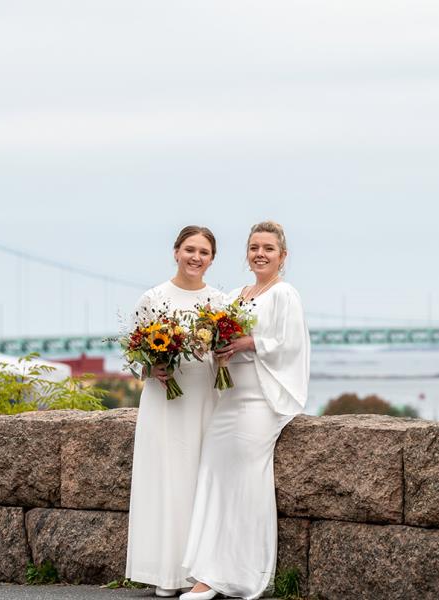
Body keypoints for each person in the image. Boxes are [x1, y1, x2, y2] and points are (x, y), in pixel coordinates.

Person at [181, 221, 310, 600]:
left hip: (260, 398)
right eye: (254, 247)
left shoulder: (286, 294)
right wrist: (216, 345)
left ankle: (234, 575)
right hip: (230, 397)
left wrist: (247, 341)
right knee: (214, 479)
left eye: (268, 248)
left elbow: (290, 344)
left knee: (243, 483)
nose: (260, 253)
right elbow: (222, 337)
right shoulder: (236, 295)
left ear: (282, 256)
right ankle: (206, 569)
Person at [125, 226, 225, 598]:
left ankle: (197, 572)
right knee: (165, 478)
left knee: (197, 481)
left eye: (203, 252)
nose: (195, 257)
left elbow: (224, 351)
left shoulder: (218, 302)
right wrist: (152, 368)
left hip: (202, 398)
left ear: (212, 259)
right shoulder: (153, 297)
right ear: (175, 252)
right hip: (164, 399)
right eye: (189, 249)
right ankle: (166, 573)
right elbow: (136, 360)